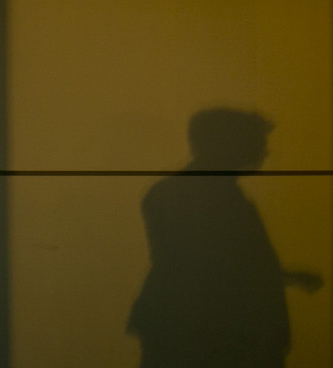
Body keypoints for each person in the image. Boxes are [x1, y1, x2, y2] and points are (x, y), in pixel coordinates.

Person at [128, 108, 321, 368]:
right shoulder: (222, 199)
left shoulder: (174, 192)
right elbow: (222, 267)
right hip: (216, 336)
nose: (265, 152)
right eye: (257, 143)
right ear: (231, 147)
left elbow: (208, 262)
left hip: (186, 329)